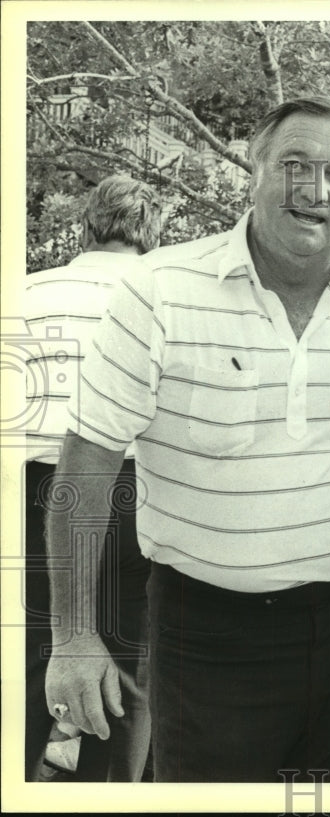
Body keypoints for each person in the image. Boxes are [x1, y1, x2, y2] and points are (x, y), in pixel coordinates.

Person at [43, 96, 330, 782]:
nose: (315, 190)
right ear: (253, 170)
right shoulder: (159, 288)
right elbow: (86, 463)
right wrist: (74, 635)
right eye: (294, 164)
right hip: (207, 631)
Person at [24, 175, 162, 782]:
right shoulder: (162, 298)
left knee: (30, 658)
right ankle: (113, 789)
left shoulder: (24, 291)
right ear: (152, 235)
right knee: (134, 669)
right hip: (137, 490)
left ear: (85, 226)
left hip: (35, 489)